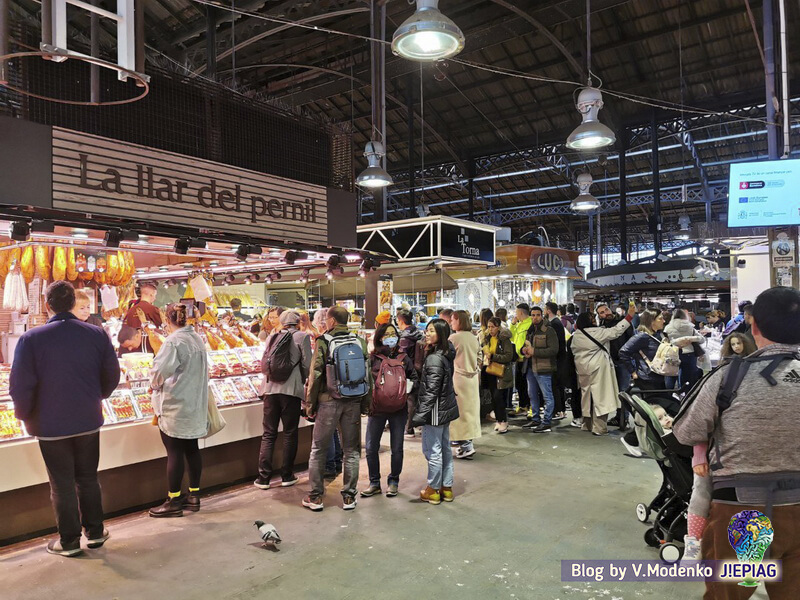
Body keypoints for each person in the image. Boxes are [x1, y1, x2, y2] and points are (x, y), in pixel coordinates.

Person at [673, 287, 800, 599]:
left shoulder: (730, 376)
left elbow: (685, 432)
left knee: (726, 596)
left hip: (740, 511)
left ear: (753, 326)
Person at [10, 281, 120, 557]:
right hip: (87, 420)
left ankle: (69, 542)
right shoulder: (97, 334)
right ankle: (95, 533)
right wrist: (97, 396)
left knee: (61, 483)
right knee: (87, 478)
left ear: (48, 306)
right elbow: (112, 375)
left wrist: (24, 415)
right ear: (73, 304)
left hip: (50, 425)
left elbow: (20, 385)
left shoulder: (31, 339)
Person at [302, 306, 372, 512]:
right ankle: (349, 497)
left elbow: (315, 374)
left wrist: (309, 405)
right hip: (353, 401)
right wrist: (367, 403)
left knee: (318, 449)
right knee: (351, 450)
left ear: (331, 321)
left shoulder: (324, 341)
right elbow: (367, 375)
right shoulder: (359, 341)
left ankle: (315, 497)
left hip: (328, 400)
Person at [148, 304, 209, 518]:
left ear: (168, 319)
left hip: (175, 404)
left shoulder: (173, 341)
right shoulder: (197, 339)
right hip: (194, 403)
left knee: (174, 452)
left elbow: (159, 372)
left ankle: (174, 500)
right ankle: (194, 496)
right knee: (192, 449)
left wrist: (153, 384)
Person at [254, 310, 312, 491]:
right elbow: (307, 364)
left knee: (269, 434)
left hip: (270, 390)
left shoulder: (271, 337)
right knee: (290, 433)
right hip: (290, 391)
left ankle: (263, 478)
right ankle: (287, 475)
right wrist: (302, 381)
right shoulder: (302, 337)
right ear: (297, 322)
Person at [360, 323, 418, 498]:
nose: (391, 337)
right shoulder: (373, 358)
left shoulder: (403, 357)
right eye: (387, 334)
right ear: (379, 337)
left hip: (399, 410)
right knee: (371, 447)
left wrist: (404, 392)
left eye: (393, 334)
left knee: (397, 448)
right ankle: (374, 482)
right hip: (377, 409)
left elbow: (414, 378)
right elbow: (365, 381)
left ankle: (394, 481)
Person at [413, 319, 459, 505]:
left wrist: (419, 414)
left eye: (431, 331)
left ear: (440, 334)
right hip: (446, 407)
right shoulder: (446, 354)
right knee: (445, 448)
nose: (427, 333)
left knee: (433, 450)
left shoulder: (434, 358)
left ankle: (433, 489)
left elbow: (431, 390)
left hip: (435, 410)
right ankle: (446, 488)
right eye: (427, 330)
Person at [571, 305, 634, 435]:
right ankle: (599, 428)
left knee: (587, 398)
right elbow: (616, 331)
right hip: (598, 369)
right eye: (593, 319)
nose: (595, 320)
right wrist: (629, 316)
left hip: (582, 370)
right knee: (600, 399)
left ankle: (587, 424)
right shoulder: (597, 332)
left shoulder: (576, 335)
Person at [449, 310, 482, 459]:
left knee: (459, 413)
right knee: (470, 413)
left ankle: (466, 445)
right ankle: (466, 444)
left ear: (459, 321)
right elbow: (480, 357)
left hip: (458, 379)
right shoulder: (473, 338)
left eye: (453, 320)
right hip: (472, 380)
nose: (451, 323)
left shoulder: (454, 338)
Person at [520, 306, 559, 433]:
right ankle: (536, 418)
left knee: (547, 396)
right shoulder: (530, 330)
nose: (535, 317)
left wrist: (534, 351)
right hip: (530, 367)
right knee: (532, 395)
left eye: (537, 315)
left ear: (542, 315)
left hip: (544, 368)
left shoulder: (549, 330)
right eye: (533, 315)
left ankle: (546, 421)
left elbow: (554, 350)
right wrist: (524, 350)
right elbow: (524, 346)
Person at [596, 302, 635, 429]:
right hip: (610, 362)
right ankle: (619, 417)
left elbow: (632, 340)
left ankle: (624, 419)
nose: (605, 313)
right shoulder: (601, 327)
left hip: (623, 362)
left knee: (623, 391)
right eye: (601, 312)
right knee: (614, 391)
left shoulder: (623, 322)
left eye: (606, 309)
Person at [481, 317, 514, 434]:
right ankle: (499, 421)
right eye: (489, 327)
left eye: (493, 327)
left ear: (498, 327)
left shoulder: (504, 339)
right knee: (493, 398)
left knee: (498, 397)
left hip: (501, 372)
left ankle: (503, 420)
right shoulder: (487, 338)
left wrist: (493, 356)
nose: (490, 329)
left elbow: (509, 356)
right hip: (490, 371)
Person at [397, 308, 424, 438]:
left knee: (410, 399)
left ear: (400, 321)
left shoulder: (404, 338)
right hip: (420, 369)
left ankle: (409, 428)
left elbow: (402, 356)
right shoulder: (418, 333)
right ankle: (417, 424)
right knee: (417, 397)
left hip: (409, 371)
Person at [664, 308, 704, 389]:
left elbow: (666, 341)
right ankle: (686, 396)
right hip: (689, 354)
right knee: (688, 377)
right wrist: (689, 339)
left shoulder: (668, 327)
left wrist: (677, 342)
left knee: (670, 374)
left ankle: (668, 395)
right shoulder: (690, 327)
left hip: (673, 353)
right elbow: (701, 339)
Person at [123, 281, 162, 352]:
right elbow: (162, 325)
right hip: (147, 349)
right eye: (154, 295)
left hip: (132, 349)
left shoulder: (130, 310)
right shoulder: (152, 309)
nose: (155, 298)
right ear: (151, 294)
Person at [544, 302, 568, 421]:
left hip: (557, 359)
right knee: (557, 385)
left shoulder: (554, 324)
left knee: (556, 385)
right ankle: (560, 410)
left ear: (548, 310)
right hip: (559, 359)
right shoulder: (556, 322)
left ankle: (559, 410)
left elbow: (556, 344)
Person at [509, 303, 533, 415]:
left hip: (526, 359)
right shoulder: (519, 324)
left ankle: (531, 407)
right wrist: (513, 325)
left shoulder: (530, 324)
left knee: (528, 385)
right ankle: (523, 406)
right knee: (519, 384)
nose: (515, 314)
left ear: (521, 312)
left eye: (516, 312)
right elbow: (512, 337)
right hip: (518, 359)